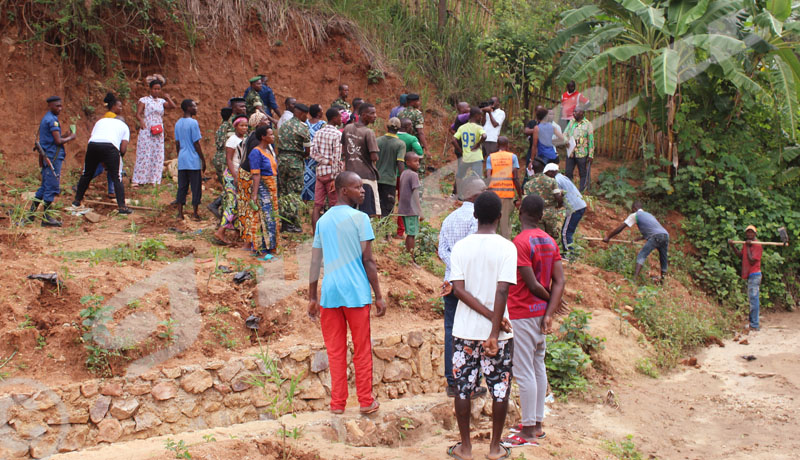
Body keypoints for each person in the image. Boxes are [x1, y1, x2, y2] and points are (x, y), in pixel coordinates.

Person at [307, 171, 386, 415]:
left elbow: (314, 262)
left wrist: (312, 296)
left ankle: (337, 404)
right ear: (343, 191)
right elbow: (368, 261)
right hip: (356, 293)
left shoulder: (322, 221)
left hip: (330, 295)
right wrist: (378, 295)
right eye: (358, 187)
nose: (362, 191)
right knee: (361, 349)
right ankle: (365, 401)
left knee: (335, 351)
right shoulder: (360, 219)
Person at [447, 190, 515, 460]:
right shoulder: (507, 247)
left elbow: (458, 291)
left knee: (463, 388)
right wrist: (494, 329)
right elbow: (502, 292)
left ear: (474, 215)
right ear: (500, 216)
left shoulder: (462, 247)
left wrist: (487, 319)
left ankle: (465, 447)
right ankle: (495, 447)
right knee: (500, 389)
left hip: (464, 331)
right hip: (498, 335)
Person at [503, 194, 565, 448]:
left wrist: (549, 303)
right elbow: (559, 280)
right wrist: (550, 310)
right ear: (540, 216)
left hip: (522, 312)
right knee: (538, 366)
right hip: (540, 314)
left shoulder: (520, 242)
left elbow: (531, 283)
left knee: (524, 370)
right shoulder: (550, 241)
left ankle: (528, 430)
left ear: (520, 211)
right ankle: (536, 424)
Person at [438, 177, 487, 398]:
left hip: (450, 282)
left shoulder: (449, 218)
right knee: (472, 331)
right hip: (470, 286)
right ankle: (469, 382)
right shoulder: (476, 219)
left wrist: (454, 270)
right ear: (475, 195)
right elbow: (471, 251)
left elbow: (442, 250)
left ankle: (452, 382)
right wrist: (462, 272)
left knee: (451, 330)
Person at [73, 93, 132, 215]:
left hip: (93, 145)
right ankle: (122, 207)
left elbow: (95, 137)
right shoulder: (124, 126)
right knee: (117, 176)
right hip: (110, 146)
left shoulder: (101, 121)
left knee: (86, 174)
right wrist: (117, 160)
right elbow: (123, 148)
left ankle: (76, 201)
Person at [30, 96, 76, 227]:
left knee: (44, 186)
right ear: (50, 106)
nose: (60, 108)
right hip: (52, 157)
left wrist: (65, 135)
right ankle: (46, 218)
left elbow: (54, 139)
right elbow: (57, 142)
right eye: (57, 106)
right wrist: (71, 137)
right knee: (51, 186)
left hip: (49, 155)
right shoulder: (52, 121)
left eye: (61, 106)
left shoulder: (48, 118)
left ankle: (30, 216)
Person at [238, 126, 279, 260]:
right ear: (263, 137)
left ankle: (270, 247)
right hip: (262, 188)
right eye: (271, 135)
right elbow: (256, 175)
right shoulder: (256, 153)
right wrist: (254, 195)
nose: (273, 137)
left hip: (271, 188)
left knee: (270, 218)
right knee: (261, 218)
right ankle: (260, 249)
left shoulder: (268, 150)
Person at [604, 201, 669, 282]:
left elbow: (621, 227)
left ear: (634, 208)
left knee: (642, 255)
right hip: (665, 235)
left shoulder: (635, 215)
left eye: (632, 209)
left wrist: (608, 237)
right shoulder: (649, 214)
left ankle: (634, 280)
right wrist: (639, 238)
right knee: (663, 258)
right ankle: (663, 280)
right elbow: (653, 230)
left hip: (656, 236)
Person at [132, 75, 176, 187]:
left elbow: (173, 106)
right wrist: (141, 121)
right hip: (147, 129)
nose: (156, 91)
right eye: (154, 89)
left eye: (158, 89)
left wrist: (168, 97)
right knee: (144, 153)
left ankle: (154, 180)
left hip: (158, 130)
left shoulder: (161, 101)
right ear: (150, 89)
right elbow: (138, 113)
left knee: (157, 154)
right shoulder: (144, 100)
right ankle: (138, 179)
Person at [213, 115, 249, 245]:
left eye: (246, 125)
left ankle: (236, 231)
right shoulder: (232, 140)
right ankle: (221, 231)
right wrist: (235, 176)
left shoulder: (245, 139)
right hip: (232, 175)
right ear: (235, 127)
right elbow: (229, 159)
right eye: (242, 125)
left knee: (239, 203)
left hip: (240, 174)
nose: (244, 128)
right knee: (232, 203)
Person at [277, 103, 312, 233]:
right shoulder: (302, 128)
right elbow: (307, 150)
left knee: (283, 191)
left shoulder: (283, 125)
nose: (306, 118)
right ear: (301, 114)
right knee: (294, 193)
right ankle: (293, 224)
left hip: (281, 161)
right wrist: (301, 156)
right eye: (305, 115)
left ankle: (284, 223)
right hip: (295, 163)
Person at [341, 103, 380, 217]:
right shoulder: (368, 132)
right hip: (366, 177)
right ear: (363, 115)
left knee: (350, 210)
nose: (375, 116)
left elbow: (344, 150)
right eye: (372, 113)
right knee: (369, 211)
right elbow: (374, 157)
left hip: (350, 175)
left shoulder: (347, 128)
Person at [310, 108, 344, 230]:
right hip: (332, 175)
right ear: (334, 118)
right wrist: (335, 178)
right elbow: (336, 157)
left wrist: (325, 161)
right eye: (339, 117)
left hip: (320, 174)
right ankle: (332, 233)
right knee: (334, 205)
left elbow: (312, 153)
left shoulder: (318, 133)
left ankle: (315, 235)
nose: (341, 119)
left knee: (317, 205)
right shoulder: (338, 135)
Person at [174, 99, 206, 221]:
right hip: (193, 160)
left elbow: (177, 143)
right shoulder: (193, 123)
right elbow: (196, 143)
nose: (196, 108)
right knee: (195, 186)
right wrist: (203, 159)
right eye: (194, 106)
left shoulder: (178, 123)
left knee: (182, 186)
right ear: (188, 108)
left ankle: (180, 213)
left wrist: (179, 155)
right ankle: (195, 213)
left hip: (182, 158)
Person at [546, 163, 586, 257]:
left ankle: (568, 254)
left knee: (565, 232)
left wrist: (557, 206)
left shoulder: (556, 180)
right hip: (580, 205)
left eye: (547, 174)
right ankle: (570, 252)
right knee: (569, 231)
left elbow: (559, 197)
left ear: (552, 172)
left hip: (574, 207)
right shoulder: (562, 177)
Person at [485, 137, 522, 239]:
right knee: (505, 226)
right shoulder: (512, 157)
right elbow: (515, 177)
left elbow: (488, 176)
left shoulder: (491, 157)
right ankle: (506, 250)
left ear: (497, 145)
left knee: (492, 223)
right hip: (507, 196)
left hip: (493, 196)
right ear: (507, 145)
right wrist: (520, 195)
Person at [728, 226, 763, 331]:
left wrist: (747, 246)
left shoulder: (757, 245)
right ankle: (753, 323)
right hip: (750, 275)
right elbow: (740, 256)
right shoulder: (746, 244)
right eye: (748, 233)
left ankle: (755, 324)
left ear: (755, 234)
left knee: (754, 299)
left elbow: (752, 260)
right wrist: (733, 246)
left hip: (755, 274)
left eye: (751, 233)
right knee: (752, 299)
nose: (749, 234)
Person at [524, 161, 563, 242]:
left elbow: (525, 201)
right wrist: (559, 205)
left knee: (539, 238)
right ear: (543, 169)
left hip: (536, 214)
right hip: (550, 213)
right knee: (552, 238)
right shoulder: (552, 181)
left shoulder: (528, 184)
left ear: (533, 170)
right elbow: (558, 197)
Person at [452, 107, 487, 198]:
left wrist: (460, 150)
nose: (481, 118)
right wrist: (478, 144)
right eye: (480, 116)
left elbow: (453, 140)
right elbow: (484, 136)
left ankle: (459, 195)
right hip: (476, 157)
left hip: (466, 157)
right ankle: (477, 196)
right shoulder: (479, 127)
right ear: (476, 116)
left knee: (459, 176)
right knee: (477, 177)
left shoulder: (462, 127)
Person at [375, 117, 406, 219]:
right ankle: (386, 233)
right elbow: (400, 163)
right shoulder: (400, 144)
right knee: (388, 207)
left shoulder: (377, 140)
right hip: (390, 181)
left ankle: (377, 229)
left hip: (377, 178)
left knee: (377, 204)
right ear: (399, 129)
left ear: (386, 127)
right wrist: (404, 178)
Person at [398, 152, 422, 260]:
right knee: (412, 234)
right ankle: (411, 259)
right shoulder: (413, 175)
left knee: (409, 233)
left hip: (403, 208)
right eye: (415, 161)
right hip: (411, 209)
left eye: (418, 161)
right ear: (407, 162)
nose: (418, 164)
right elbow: (415, 194)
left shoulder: (403, 173)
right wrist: (420, 210)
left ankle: (407, 255)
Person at [564, 107, 594, 192]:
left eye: (575, 112)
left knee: (582, 173)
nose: (573, 113)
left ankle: (581, 192)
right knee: (568, 172)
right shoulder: (571, 122)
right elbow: (565, 133)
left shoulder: (588, 124)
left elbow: (591, 140)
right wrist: (566, 141)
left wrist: (591, 155)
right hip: (571, 152)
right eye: (573, 111)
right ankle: (569, 191)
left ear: (581, 113)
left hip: (582, 153)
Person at [302, 104, 326, 202]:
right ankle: (314, 202)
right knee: (314, 180)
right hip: (316, 157)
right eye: (321, 110)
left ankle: (304, 202)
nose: (323, 112)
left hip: (305, 155)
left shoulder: (305, 123)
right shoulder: (322, 124)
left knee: (304, 178)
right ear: (318, 113)